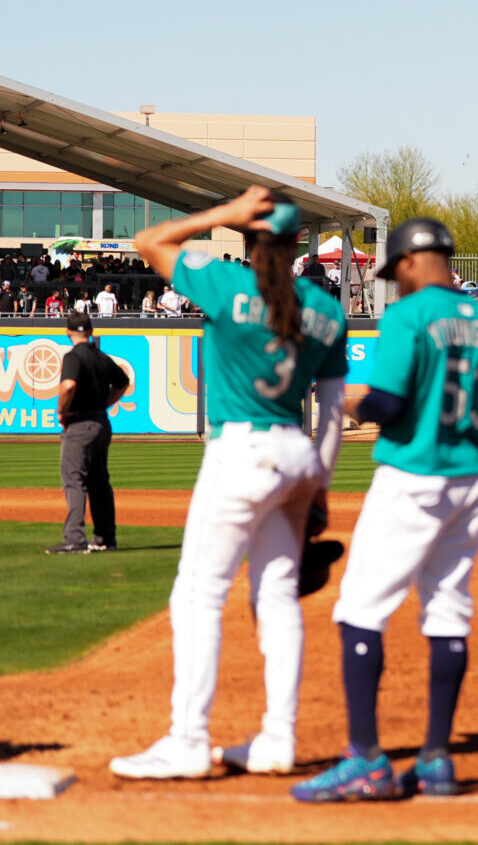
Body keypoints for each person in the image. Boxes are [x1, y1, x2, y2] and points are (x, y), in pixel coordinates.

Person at [109, 187, 348, 780]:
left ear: (248, 236)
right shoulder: (327, 311)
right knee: (277, 596)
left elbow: (148, 241)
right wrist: (319, 486)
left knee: (198, 595)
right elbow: (333, 413)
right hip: (296, 454)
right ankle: (278, 739)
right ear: (298, 242)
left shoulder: (225, 283)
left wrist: (224, 213)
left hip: (241, 450)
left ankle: (188, 740)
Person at [291, 218, 478, 802]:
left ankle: (365, 760)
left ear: (413, 261)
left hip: (413, 476)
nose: (396, 281)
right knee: (448, 611)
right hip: (470, 478)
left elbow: (388, 404)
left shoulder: (408, 316)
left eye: (397, 270)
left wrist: (350, 404)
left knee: (360, 609)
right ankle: (436, 759)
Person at [48, 312, 130, 554]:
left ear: (67, 332)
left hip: (80, 423)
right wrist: (105, 403)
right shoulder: (101, 356)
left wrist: (62, 411)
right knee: (99, 481)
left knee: (74, 479)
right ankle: (106, 538)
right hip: (101, 423)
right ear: (91, 331)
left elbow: (68, 385)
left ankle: (75, 539)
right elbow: (123, 382)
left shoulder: (74, 356)